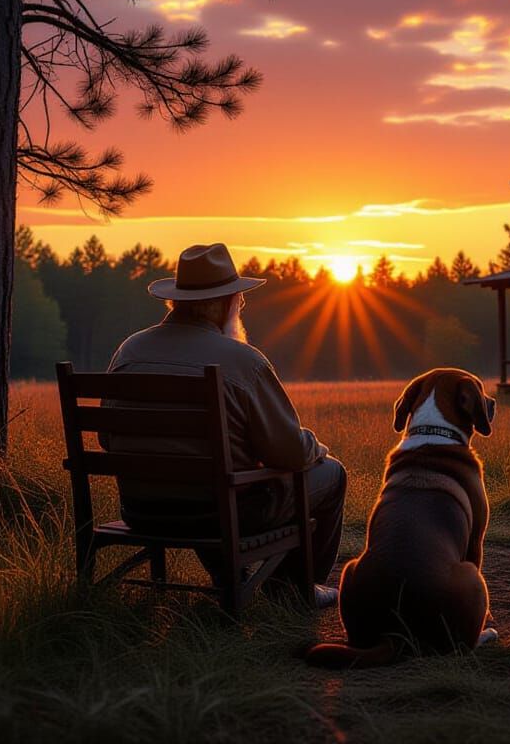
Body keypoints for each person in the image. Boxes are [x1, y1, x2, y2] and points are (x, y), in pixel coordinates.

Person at [104, 242, 345, 607]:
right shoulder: (241, 361)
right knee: (332, 475)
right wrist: (315, 447)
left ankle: (228, 577)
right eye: (239, 299)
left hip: (140, 509)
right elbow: (290, 454)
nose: (242, 305)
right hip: (215, 515)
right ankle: (292, 591)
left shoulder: (129, 351)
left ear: (177, 301)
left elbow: (108, 438)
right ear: (224, 304)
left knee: (211, 480)